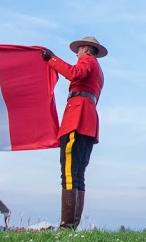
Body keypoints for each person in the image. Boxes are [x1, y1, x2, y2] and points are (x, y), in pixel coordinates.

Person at [43, 36, 107, 230]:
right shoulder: (98, 69)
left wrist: (51, 59)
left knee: (69, 172)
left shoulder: (87, 61)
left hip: (77, 119)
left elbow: (74, 73)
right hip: (88, 121)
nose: (77, 54)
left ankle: (67, 225)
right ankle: (72, 223)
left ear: (86, 49)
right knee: (78, 173)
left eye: (78, 50)